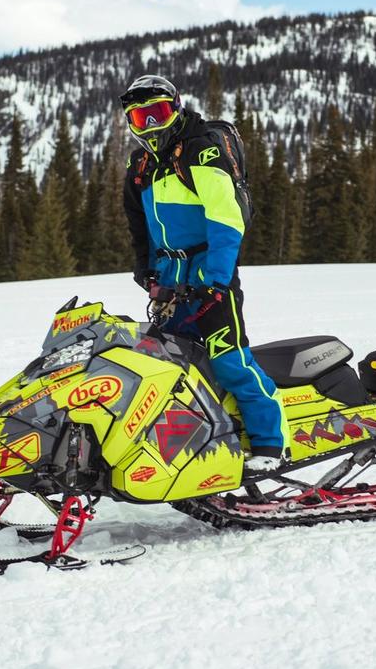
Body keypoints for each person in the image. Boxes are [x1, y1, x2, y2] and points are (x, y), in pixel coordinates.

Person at [120, 74, 287, 471]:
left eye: (157, 114)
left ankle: (269, 444)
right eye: (140, 118)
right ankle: (196, 440)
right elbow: (138, 226)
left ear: (175, 108)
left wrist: (216, 278)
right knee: (171, 364)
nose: (150, 126)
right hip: (170, 279)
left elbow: (226, 218)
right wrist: (146, 272)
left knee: (229, 358)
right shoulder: (142, 165)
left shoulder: (200, 150)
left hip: (210, 273)